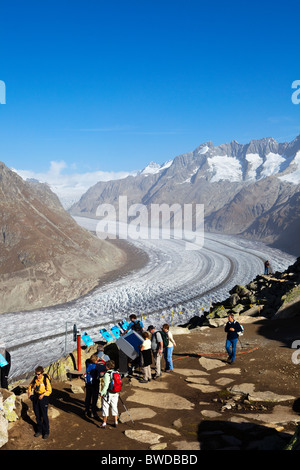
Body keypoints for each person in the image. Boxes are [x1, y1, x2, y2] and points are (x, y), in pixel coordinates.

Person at [28, 366, 52, 439]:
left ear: (42, 373)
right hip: (36, 397)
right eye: (36, 374)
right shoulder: (35, 379)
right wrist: (29, 392)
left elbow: (49, 390)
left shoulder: (45, 379)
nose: (37, 376)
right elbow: (30, 385)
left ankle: (46, 432)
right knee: (37, 415)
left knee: (44, 415)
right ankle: (39, 430)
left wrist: (43, 394)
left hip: (43, 398)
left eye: (38, 374)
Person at [84, 353, 106, 420]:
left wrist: (95, 359)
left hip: (88, 384)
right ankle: (93, 412)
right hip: (95, 385)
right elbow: (106, 367)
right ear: (96, 361)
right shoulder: (97, 366)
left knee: (88, 397)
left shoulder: (87, 363)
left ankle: (86, 410)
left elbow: (88, 360)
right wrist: (101, 360)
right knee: (94, 398)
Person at [100, 360, 120, 428]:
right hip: (116, 392)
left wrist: (102, 393)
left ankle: (104, 423)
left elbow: (106, 385)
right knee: (114, 406)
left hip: (108, 393)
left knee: (105, 407)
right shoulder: (116, 372)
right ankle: (116, 422)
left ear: (107, 367)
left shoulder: (107, 374)